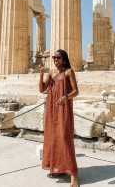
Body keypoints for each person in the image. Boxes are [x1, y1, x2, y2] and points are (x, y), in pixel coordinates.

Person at [39, 49, 80, 187]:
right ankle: (57, 168)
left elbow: (76, 91)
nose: (55, 60)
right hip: (51, 108)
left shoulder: (69, 72)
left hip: (63, 108)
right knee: (53, 137)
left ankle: (74, 175)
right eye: (54, 58)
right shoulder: (51, 73)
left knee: (64, 138)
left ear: (64, 59)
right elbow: (41, 89)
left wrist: (65, 97)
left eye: (58, 58)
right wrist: (41, 74)